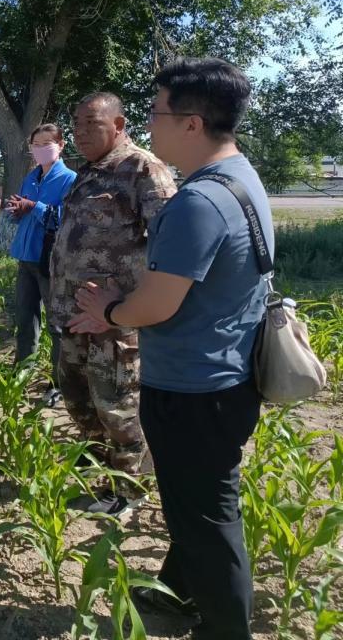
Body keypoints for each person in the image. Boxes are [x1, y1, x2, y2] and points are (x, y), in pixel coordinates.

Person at [72, 58, 267, 640]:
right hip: (229, 373)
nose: (149, 123)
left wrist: (110, 309)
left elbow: (157, 304)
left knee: (209, 517)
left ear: (191, 123)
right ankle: (179, 590)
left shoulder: (197, 202)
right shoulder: (242, 180)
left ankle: (226, 628)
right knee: (192, 501)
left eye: (157, 112)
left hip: (193, 387)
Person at [48, 92, 177, 515]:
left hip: (113, 323)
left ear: (119, 125)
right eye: (77, 125)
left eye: (92, 124)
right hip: (75, 317)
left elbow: (172, 247)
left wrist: (125, 304)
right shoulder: (88, 172)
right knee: (78, 400)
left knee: (118, 408)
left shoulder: (142, 169)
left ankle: (129, 491)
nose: (81, 133)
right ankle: (101, 473)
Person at [6, 124, 77, 403]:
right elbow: (22, 210)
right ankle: (22, 373)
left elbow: (66, 218)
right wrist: (17, 210)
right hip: (27, 257)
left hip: (51, 260)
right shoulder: (31, 177)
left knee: (56, 325)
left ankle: (57, 383)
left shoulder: (69, 179)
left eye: (47, 143)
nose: (41, 149)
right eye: (36, 145)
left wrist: (33, 207)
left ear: (61, 145)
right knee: (25, 319)